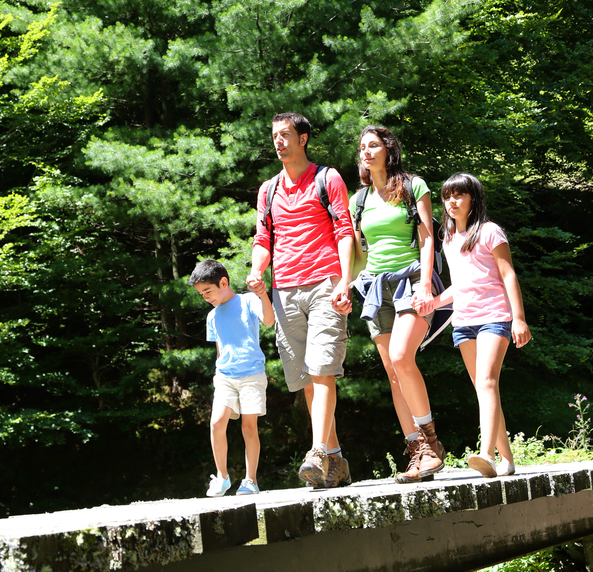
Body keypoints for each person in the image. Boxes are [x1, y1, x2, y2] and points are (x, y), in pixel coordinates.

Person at [246, 112, 355, 489]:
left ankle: (318, 452)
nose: (278, 141)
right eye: (274, 135)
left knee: (323, 369)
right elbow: (263, 239)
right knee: (306, 378)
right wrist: (257, 270)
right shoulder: (268, 189)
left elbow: (345, 230)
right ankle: (336, 461)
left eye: (286, 134)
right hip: (284, 290)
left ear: (303, 138)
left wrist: (345, 280)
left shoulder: (328, 178)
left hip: (325, 283)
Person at [413, 172, 532, 478]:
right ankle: (506, 459)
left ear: (473, 199)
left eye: (459, 195)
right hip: (463, 322)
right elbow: (460, 286)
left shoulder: (491, 232)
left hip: (494, 317)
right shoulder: (449, 239)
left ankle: (487, 454)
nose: (451, 202)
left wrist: (518, 319)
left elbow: (508, 276)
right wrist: (434, 303)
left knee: (488, 382)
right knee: (483, 388)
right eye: (447, 196)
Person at [350, 125, 448, 483]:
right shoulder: (357, 200)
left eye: (373, 145)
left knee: (403, 357)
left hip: (411, 281)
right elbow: (360, 254)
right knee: (393, 374)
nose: (366, 151)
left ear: (388, 149)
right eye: (362, 147)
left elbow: (427, 240)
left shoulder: (412, 186)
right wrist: (347, 285)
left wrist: (424, 285)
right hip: (376, 288)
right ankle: (418, 451)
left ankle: (431, 443)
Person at [189, 259, 275, 496]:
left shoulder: (248, 301)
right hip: (225, 376)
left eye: (208, 291)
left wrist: (263, 295)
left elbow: (269, 321)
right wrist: (219, 371)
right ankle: (222, 478)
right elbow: (220, 348)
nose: (205, 297)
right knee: (216, 423)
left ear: (223, 282)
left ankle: (251, 481)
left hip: (251, 375)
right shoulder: (212, 316)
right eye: (201, 294)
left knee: (249, 427)